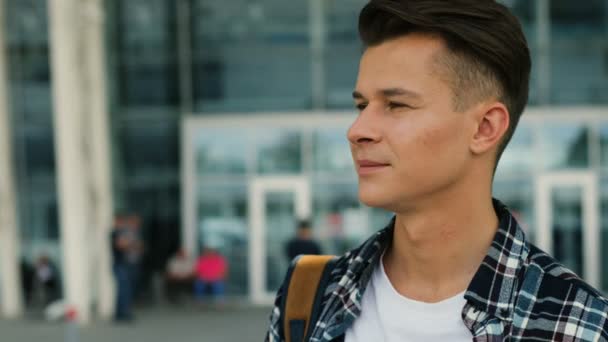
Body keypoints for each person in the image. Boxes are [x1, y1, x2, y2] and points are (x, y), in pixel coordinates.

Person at [266, 0, 608, 341]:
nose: (357, 129)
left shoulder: (580, 325)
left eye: (396, 105)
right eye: (361, 105)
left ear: (485, 128)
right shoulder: (310, 296)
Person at [111, 213, 143, 322]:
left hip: (127, 265)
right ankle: (122, 313)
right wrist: (132, 244)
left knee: (125, 290)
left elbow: (139, 246)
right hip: (121, 265)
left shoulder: (129, 233)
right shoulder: (116, 233)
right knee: (124, 290)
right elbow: (121, 246)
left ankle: (121, 313)